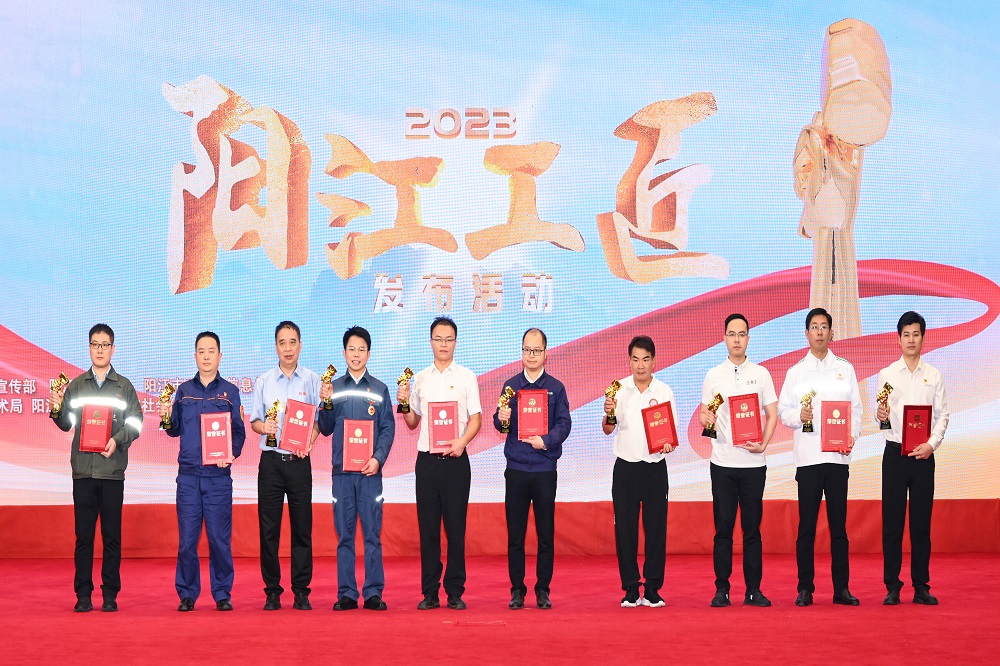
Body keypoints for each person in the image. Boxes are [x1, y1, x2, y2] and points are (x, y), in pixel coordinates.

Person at [49, 324, 143, 613]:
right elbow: (66, 424)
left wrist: (117, 440)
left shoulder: (123, 386)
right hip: (84, 472)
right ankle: (83, 594)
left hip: (112, 471)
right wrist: (56, 407)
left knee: (112, 536)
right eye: (95, 344)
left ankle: (110, 593)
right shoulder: (77, 385)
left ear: (113, 349)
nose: (100, 350)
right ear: (89, 348)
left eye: (105, 345)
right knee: (84, 537)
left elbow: (136, 423)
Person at [778, 307, 862, 607]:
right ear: (806, 333)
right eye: (814, 327)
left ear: (831, 332)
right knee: (807, 528)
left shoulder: (845, 369)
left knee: (839, 528)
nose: (819, 332)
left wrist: (851, 436)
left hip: (837, 459)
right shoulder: (796, 372)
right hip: (809, 459)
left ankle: (842, 588)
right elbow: (783, 411)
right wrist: (798, 417)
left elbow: (856, 409)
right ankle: (805, 588)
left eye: (824, 326)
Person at [397, 317, 482, 610]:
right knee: (429, 530)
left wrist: (462, 442)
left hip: (457, 461)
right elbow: (412, 422)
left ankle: (455, 591)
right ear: (430, 341)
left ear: (455, 342)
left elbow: (476, 419)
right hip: (427, 463)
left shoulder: (467, 376)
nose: (443, 344)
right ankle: (430, 592)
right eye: (438, 339)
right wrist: (404, 403)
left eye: (449, 339)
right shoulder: (420, 378)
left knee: (456, 529)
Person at [159, 331, 246, 611]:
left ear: (220, 356)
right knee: (187, 541)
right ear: (195, 356)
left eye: (211, 351)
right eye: (201, 351)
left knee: (219, 540)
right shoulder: (184, 391)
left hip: (218, 478)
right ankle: (187, 593)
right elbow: (173, 430)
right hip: (188, 477)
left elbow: (239, 432)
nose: (206, 356)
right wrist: (165, 416)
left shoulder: (230, 392)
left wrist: (232, 453)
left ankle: (222, 593)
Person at [699, 314, 778, 608]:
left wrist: (764, 444)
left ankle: (753, 590)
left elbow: (772, 414)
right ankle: (722, 589)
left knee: (752, 531)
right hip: (722, 464)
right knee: (723, 530)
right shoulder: (713, 375)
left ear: (748, 338)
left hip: (753, 466)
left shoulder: (761, 374)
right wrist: (705, 418)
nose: (736, 339)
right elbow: (705, 414)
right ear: (724, 338)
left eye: (741, 334)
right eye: (731, 334)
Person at [493, 328, 571, 610]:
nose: (532, 355)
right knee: (516, 535)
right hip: (516, 469)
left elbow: (564, 424)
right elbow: (500, 425)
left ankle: (542, 590)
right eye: (527, 350)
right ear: (522, 352)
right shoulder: (510, 386)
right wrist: (502, 417)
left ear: (545, 353)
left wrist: (546, 440)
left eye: (537, 350)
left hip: (544, 469)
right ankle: (517, 589)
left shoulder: (556, 388)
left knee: (545, 534)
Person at [318, 326, 395, 611]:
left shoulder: (380, 389)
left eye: (361, 349)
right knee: (344, 536)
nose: (356, 354)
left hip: (370, 474)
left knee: (372, 534)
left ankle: (373, 592)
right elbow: (325, 428)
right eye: (351, 348)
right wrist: (325, 403)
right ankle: (347, 593)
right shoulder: (334, 388)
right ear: (344, 353)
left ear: (368, 354)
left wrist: (378, 458)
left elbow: (387, 429)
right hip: (342, 475)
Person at [877, 311, 949, 606]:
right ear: (899, 339)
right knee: (892, 523)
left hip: (923, 457)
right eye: (906, 334)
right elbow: (882, 419)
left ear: (923, 338)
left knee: (921, 523)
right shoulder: (887, 375)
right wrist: (881, 416)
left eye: (915, 334)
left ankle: (921, 586)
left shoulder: (934, 375)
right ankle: (892, 586)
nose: (911, 339)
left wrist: (931, 444)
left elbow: (943, 415)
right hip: (895, 454)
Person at [250, 321, 321, 611]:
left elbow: (318, 422)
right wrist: (263, 426)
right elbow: (255, 421)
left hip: (299, 462)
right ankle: (272, 591)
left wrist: (309, 442)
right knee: (269, 530)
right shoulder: (264, 381)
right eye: (282, 343)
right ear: (276, 347)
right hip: (271, 463)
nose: (288, 348)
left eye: (293, 342)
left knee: (302, 528)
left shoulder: (313, 380)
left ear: (300, 346)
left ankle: (301, 590)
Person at [603, 335, 677, 608]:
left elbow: (671, 434)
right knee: (625, 530)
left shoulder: (664, 391)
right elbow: (607, 429)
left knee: (656, 530)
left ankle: (653, 588)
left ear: (654, 361)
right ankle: (631, 588)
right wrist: (609, 412)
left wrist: (668, 444)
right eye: (635, 359)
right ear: (629, 361)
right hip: (625, 468)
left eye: (645, 359)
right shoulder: (618, 389)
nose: (640, 365)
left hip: (655, 468)